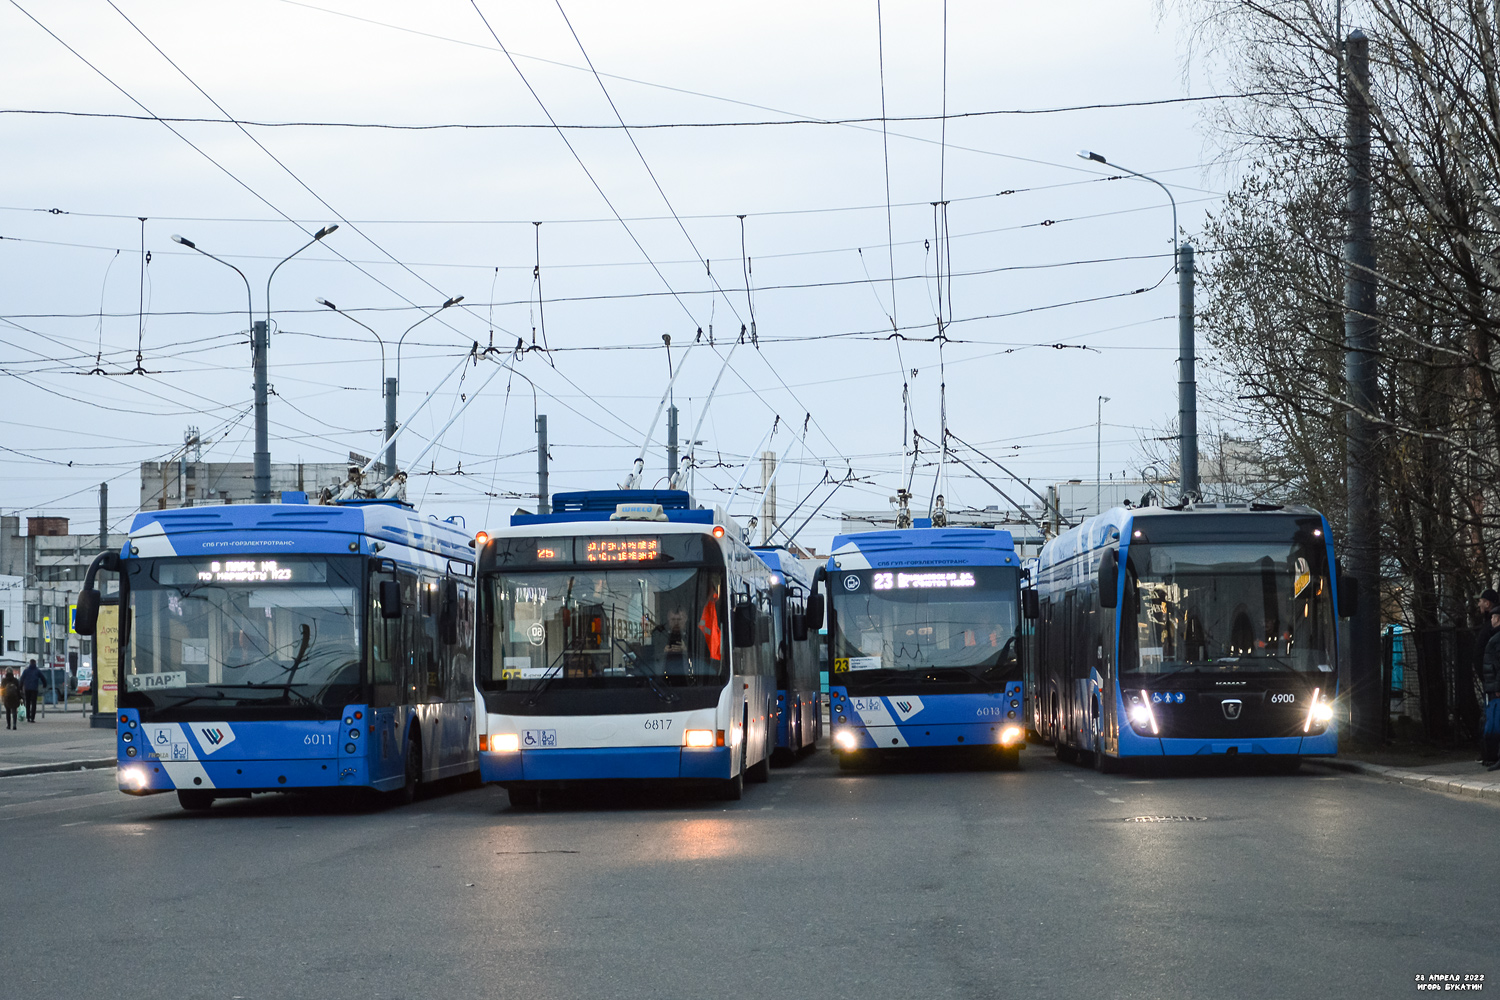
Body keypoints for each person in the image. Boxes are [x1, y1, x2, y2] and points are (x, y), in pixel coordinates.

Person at [1476, 590, 1500, 765]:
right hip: (1490, 682)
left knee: (1493, 719)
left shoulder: (1493, 635)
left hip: (1493, 684)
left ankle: (1491, 755)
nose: (1479, 604)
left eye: (1481, 601)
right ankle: (1489, 754)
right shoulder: (1488, 630)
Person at [1481, 608, 1500, 769]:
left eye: (1493, 617)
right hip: (1493, 686)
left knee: (1495, 721)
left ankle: (1495, 756)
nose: (1491, 620)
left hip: (1495, 688)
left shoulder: (1497, 639)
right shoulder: (1495, 637)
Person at [19, 659, 41, 724]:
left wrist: (20, 688)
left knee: (27, 703)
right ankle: (32, 718)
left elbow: (21, 679)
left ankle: (28, 717)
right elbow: (43, 678)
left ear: (30, 663)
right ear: (35, 663)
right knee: (34, 703)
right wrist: (44, 684)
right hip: (34, 689)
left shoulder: (26, 671)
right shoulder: (37, 671)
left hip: (27, 689)